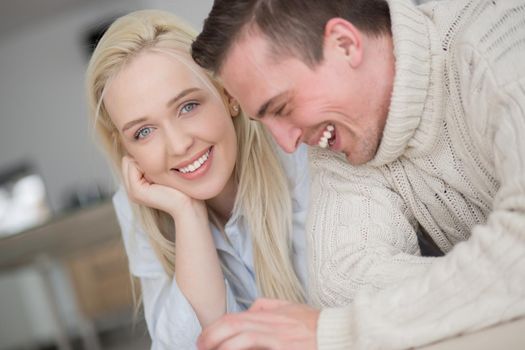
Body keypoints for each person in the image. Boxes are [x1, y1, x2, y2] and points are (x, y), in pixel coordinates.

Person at [191, 0, 525, 349]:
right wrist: (495, 277)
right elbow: (342, 282)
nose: (287, 143)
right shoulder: (345, 134)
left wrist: (335, 331)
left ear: (345, 44)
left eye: (282, 108)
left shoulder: (501, 40)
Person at [85, 10, 310, 349]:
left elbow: (346, 304)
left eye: (187, 106)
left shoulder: (295, 150)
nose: (178, 145)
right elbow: (182, 344)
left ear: (227, 94)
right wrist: (187, 215)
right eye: (144, 132)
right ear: (127, 150)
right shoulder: (139, 203)